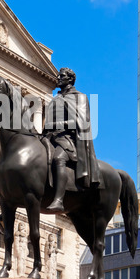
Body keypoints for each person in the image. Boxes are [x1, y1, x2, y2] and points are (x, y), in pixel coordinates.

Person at [44, 67, 101, 212]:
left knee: (58, 159)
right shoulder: (56, 98)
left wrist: (59, 125)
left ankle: (58, 199)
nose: (58, 78)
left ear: (70, 79)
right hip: (51, 136)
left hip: (68, 139)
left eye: (61, 76)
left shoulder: (79, 97)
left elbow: (82, 121)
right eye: (58, 75)